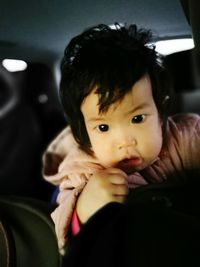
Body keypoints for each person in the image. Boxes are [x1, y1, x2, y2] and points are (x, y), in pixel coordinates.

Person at [42, 23, 200, 254]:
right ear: (85, 131)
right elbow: (61, 235)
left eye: (137, 119)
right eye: (103, 127)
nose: (125, 141)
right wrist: (83, 208)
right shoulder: (84, 168)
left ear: (160, 110)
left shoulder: (185, 136)